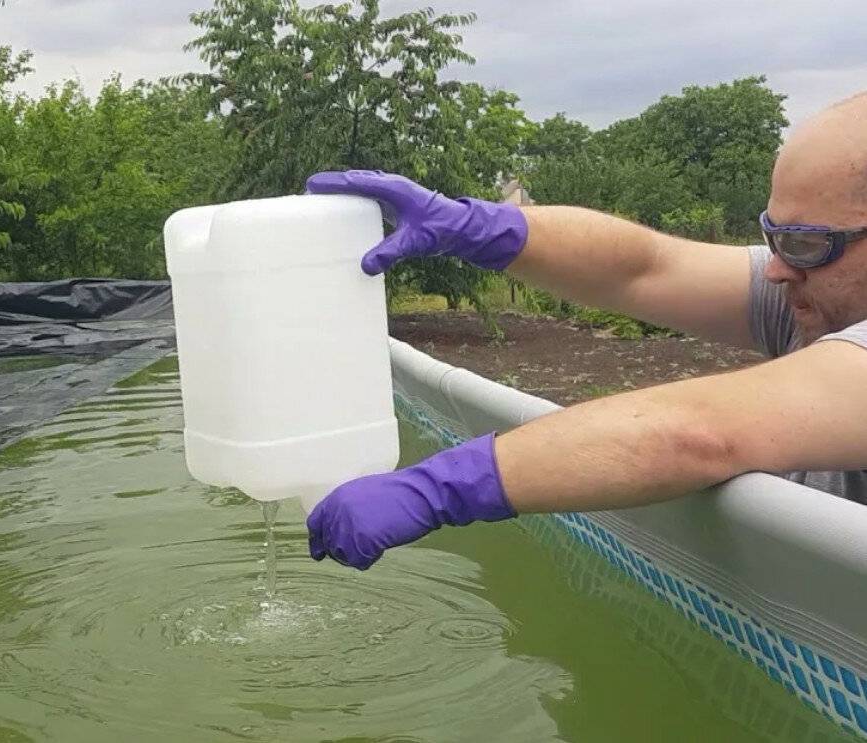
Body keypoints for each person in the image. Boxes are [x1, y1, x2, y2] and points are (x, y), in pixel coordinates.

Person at [303, 91, 867, 571]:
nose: (776, 268)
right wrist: (476, 226)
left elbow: (699, 433)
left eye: (805, 244)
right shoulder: (816, 289)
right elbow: (646, 267)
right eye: (774, 235)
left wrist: (441, 487)